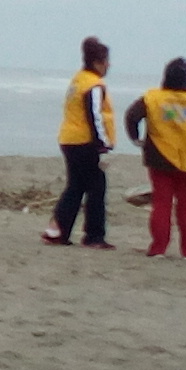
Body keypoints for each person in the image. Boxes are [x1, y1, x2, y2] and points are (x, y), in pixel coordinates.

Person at [125, 59, 186, 263]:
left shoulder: (152, 98)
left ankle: (158, 248)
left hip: (160, 158)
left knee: (161, 203)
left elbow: (132, 116)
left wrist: (136, 138)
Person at [42, 38, 118, 249]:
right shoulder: (93, 85)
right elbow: (95, 116)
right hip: (84, 142)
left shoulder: (78, 80)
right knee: (96, 187)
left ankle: (57, 231)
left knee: (76, 186)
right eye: (106, 61)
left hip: (69, 139)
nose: (109, 65)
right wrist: (102, 146)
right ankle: (94, 236)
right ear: (97, 63)